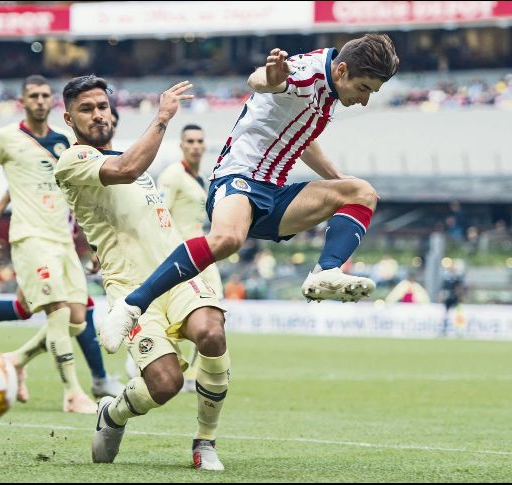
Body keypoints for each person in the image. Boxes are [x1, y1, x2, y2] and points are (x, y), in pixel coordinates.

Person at [102, 34, 400, 353]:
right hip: (238, 177)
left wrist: (339, 180)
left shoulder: (328, 89)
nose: (365, 100)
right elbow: (260, 79)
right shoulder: (305, 73)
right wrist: (270, 79)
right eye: (364, 89)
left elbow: (302, 135)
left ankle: (325, 273)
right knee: (228, 239)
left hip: (273, 193)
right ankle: (131, 306)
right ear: (342, 71)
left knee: (360, 192)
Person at [55, 75, 230, 471]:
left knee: (211, 332)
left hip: (177, 274)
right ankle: (113, 413)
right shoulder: (74, 160)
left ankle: (205, 441)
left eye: (102, 106)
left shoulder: (134, 158)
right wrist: (164, 117)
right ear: (69, 119)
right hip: (131, 290)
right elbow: (127, 168)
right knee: (165, 384)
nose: (97, 114)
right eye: (86, 109)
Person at [0, 74, 95, 414]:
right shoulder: (5, 138)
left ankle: (17, 359)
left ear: (51, 101)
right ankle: (72, 392)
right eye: (34, 96)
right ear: (23, 101)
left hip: (63, 240)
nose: (40, 101)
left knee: (77, 320)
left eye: (45, 95)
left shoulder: (63, 143)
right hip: (30, 237)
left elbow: (74, 193)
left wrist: (93, 243)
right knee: (57, 312)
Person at [0, 194, 124, 400]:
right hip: (42, 245)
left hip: (56, 245)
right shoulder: (57, 167)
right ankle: (95, 381)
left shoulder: (67, 169)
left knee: (25, 307)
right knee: (77, 309)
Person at [154, 124, 225, 392]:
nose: (195, 145)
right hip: (181, 256)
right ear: (181, 145)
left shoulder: (202, 178)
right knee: (176, 314)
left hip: (204, 252)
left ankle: (196, 373)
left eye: (199, 141)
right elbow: (159, 213)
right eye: (190, 141)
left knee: (213, 310)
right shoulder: (172, 175)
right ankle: (161, 362)